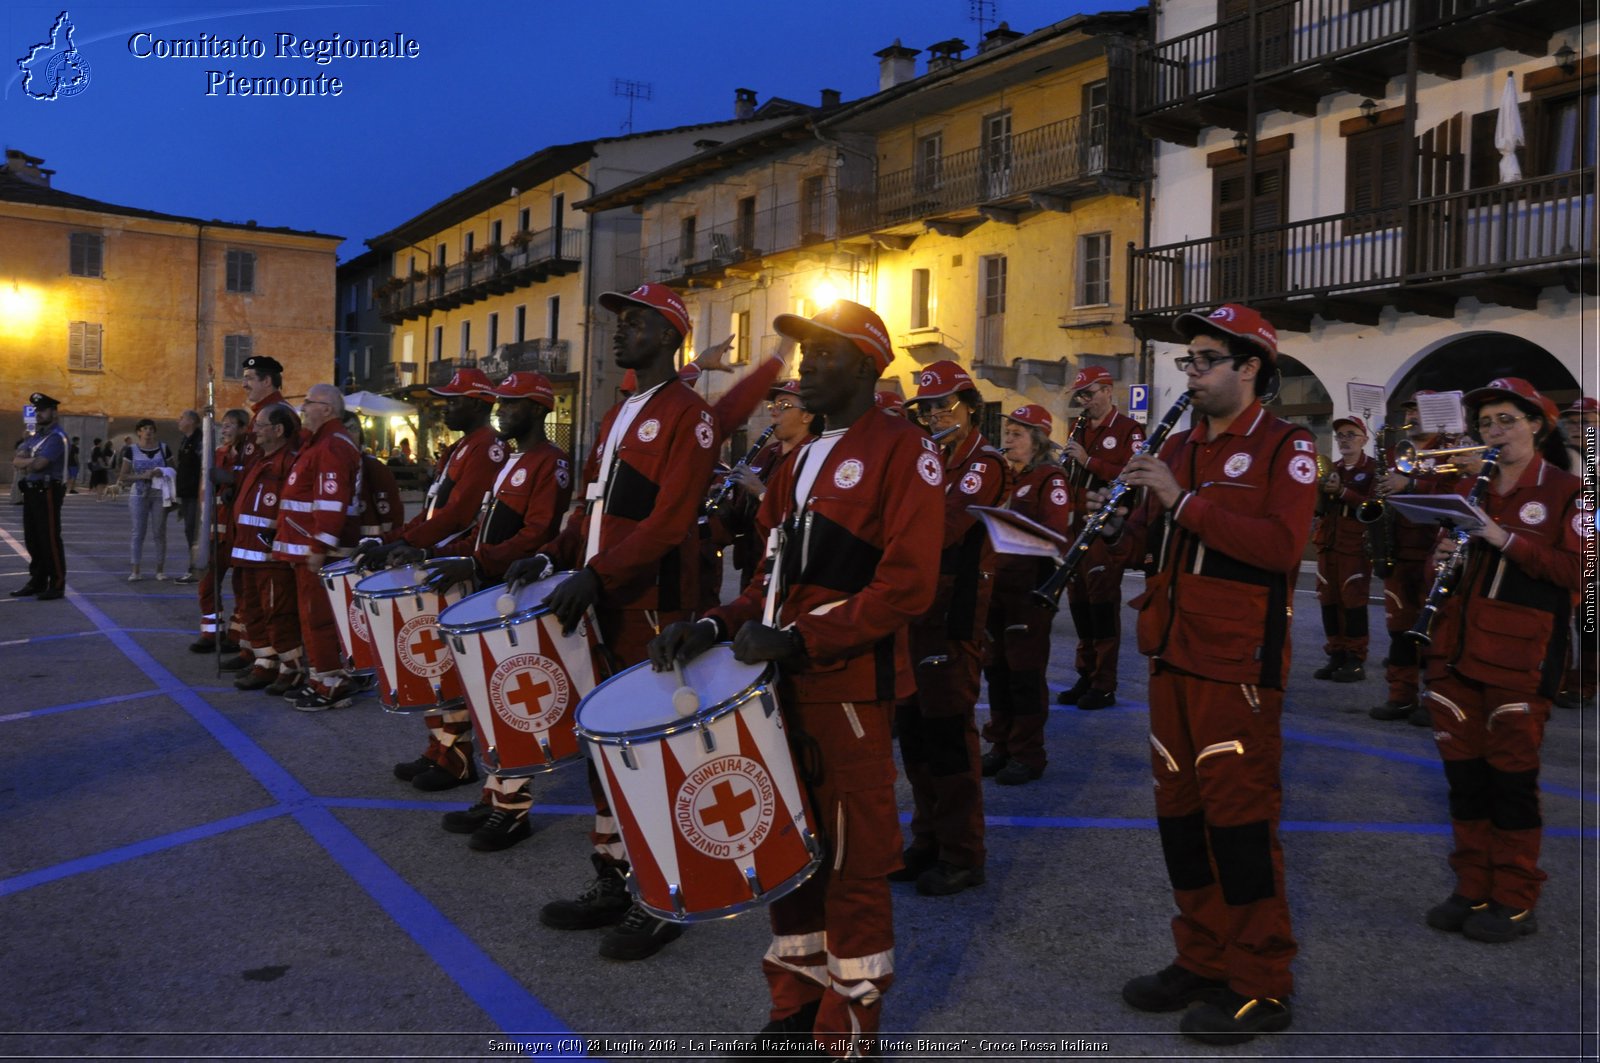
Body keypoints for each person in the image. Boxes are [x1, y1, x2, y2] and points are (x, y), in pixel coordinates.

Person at [649, 299, 943, 1058]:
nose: (806, 366)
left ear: (867, 365)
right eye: (804, 353)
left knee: (852, 862)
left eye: (824, 353)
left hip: (848, 689)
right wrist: (713, 623)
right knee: (784, 853)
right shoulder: (797, 457)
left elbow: (907, 587)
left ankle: (847, 1031)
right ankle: (794, 1011)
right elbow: (768, 582)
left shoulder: (905, 450)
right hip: (782, 688)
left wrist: (799, 637)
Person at [1110, 304, 1316, 1045]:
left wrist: (1181, 500)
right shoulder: (1186, 444)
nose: (1190, 373)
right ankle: (1201, 956)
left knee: (1239, 826)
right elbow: (1159, 537)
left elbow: (1280, 546)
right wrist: (1123, 525)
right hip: (1173, 650)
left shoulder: (1286, 448)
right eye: (1187, 362)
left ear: (1250, 366)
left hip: (1236, 665)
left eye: (1204, 359)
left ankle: (1262, 980)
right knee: (1182, 820)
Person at [504, 283, 717, 962]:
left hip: (649, 602)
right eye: (620, 323)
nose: (619, 332)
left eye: (633, 322)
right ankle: (615, 879)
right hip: (602, 598)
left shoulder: (690, 414)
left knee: (649, 751)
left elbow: (671, 521)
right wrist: (554, 555)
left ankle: (665, 895)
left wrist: (599, 573)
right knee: (604, 747)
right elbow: (590, 511)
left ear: (666, 333)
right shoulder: (616, 413)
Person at [1419, 377, 1583, 943]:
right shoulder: (1469, 487)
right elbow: (1443, 568)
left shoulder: (1569, 490)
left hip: (1520, 654)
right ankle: (1472, 885)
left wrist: (1501, 536)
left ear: (1538, 425)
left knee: (1511, 782)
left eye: (1507, 420)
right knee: (1464, 781)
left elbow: (1576, 571)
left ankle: (1514, 897)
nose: (1495, 431)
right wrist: (1443, 557)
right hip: (1457, 648)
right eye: (1487, 422)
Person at [392, 372, 572, 850]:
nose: (501, 411)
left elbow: (536, 535)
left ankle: (513, 809)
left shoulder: (551, 463)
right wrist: (457, 556)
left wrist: (476, 559)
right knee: (489, 700)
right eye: (501, 403)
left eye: (512, 404)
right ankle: (496, 792)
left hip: (518, 594)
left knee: (515, 702)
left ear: (538, 410)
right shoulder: (515, 459)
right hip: (491, 586)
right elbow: (486, 527)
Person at [359, 367, 508, 786]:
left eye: (454, 400)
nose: (446, 407)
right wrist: (395, 539)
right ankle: (439, 747)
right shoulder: (462, 448)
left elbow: (459, 516)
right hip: (436, 562)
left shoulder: (487, 449)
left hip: (454, 567)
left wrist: (414, 545)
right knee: (433, 661)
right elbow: (433, 512)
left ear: (480, 405)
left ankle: (457, 757)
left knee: (447, 666)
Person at [894, 359, 1009, 896]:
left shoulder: (984, 463)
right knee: (915, 737)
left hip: (953, 618)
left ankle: (963, 854)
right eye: (927, 408)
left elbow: (941, 527)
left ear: (970, 407)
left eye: (945, 405)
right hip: (916, 616)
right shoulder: (929, 459)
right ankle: (928, 841)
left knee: (949, 740)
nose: (934, 415)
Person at [981, 404, 1072, 785]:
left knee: (1023, 675)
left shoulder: (1050, 480)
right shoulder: (1004, 476)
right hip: (995, 588)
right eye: (1008, 433)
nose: (1009, 439)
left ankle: (1027, 753)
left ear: (1038, 439)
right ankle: (1001, 744)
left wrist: (1010, 525)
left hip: (1027, 590)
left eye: (1018, 434)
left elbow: (1056, 538)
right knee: (997, 673)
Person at [1056, 365, 1144, 710]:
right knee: (1079, 605)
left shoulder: (1128, 430)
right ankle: (1086, 673)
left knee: (1102, 607)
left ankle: (1104, 683)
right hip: (1075, 528)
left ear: (1108, 390)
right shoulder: (1077, 428)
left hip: (1105, 531)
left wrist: (1089, 460)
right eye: (1080, 395)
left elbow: (1133, 475)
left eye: (1089, 393)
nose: (1084, 401)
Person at [272, 385, 365, 710]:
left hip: (318, 550)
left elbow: (331, 500)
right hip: (305, 547)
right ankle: (319, 676)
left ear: (326, 409)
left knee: (318, 617)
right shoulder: (321, 443)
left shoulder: (331, 446)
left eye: (308, 403)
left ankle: (331, 682)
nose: (303, 409)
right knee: (311, 617)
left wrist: (320, 545)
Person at [1370, 392, 1457, 723]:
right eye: (1408, 409)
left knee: (1437, 632)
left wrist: (1409, 485)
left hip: (1434, 552)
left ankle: (1435, 701)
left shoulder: (1452, 449)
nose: (1411, 416)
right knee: (1400, 632)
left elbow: (1455, 494)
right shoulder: (1396, 453)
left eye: (1418, 410)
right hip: (1399, 551)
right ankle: (1401, 696)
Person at [713, 378, 820, 591]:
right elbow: (742, 519)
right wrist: (723, 504)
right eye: (773, 406)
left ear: (807, 415)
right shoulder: (766, 454)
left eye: (784, 406)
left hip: (788, 569)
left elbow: (806, 519)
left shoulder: (816, 456)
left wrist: (762, 493)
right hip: (753, 565)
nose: (774, 412)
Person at [228, 404, 303, 692]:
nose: (254, 430)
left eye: (259, 425)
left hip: (270, 555)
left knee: (278, 612)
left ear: (278, 430)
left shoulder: (288, 463)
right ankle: (265, 662)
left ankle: (291, 667)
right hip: (247, 552)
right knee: (253, 612)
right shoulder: (261, 461)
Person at [1311, 415, 1376, 684]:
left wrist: (1342, 494)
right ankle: (1335, 654)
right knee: (1328, 601)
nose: (1345, 440)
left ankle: (1355, 659)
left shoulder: (1373, 469)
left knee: (1354, 604)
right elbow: (1319, 507)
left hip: (1355, 546)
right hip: (1328, 544)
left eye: (1351, 434)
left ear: (1364, 439)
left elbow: (1373, 508)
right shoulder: (1330, 468)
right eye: (1340, 436)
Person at [191, 408, 249, 655]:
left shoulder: (248, 456)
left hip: (238, 535)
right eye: (222, 425)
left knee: (243, 587)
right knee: (207, 584)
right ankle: (211, 632)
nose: (224, 429)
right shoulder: (215, 455)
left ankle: (236, 634)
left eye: (230, 425)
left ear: (244, 428)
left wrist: (231, 480)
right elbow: (204, 493)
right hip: (214, 533)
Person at [11, 392, 70, 600]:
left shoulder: (57, 437)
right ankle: (37, 580)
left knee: (49, 539)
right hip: (32, 490)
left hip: (48, 491)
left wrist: (28, 460)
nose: (38, 414)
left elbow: (40, 464)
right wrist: (29, 460)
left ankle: (57, 583)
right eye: (37, 410)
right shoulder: (36, 436)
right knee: (33, 539)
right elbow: (17, 461)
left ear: (54, 412)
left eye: (43, 410)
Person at [1557, 396, 1596, 708]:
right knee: (1560, 614)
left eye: (1584, 421)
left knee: (1590, 621)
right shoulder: (1562, 457)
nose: (1575, 427)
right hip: (1568, 547)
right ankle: (1559, 678)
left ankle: (1584, 683)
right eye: (1570, 421)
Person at [119, 419, 174, 582]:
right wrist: (141, 476)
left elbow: (173, 469)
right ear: (139, 432)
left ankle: (160, 570)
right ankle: (135, 570)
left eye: (151, 429)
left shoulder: (164, 448)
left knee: (159, 532)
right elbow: (123, 476)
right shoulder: (131, 451)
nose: (148, 432)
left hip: (159, 494)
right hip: (139, 494)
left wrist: (162, 471)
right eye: (144, 429)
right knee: (138, 532)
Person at [173, 410, 204, 583]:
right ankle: (193, 567)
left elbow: (202, 468)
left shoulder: (199, 441)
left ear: (191, 421)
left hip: (195, 494)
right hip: (186, 494)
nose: (179, 420)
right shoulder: (186, 440)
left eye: (181, 418)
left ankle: (196, 569)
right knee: (189, 531)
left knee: (194, 533)